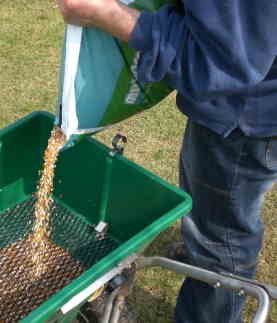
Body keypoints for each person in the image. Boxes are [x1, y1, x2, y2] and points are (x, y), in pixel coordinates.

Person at [57, 1, 277, 322]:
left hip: (246, 117)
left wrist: (107, 15)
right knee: (213, 214)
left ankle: (213, 278)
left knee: (222, 243)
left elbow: (220, 66)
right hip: (243, 106)